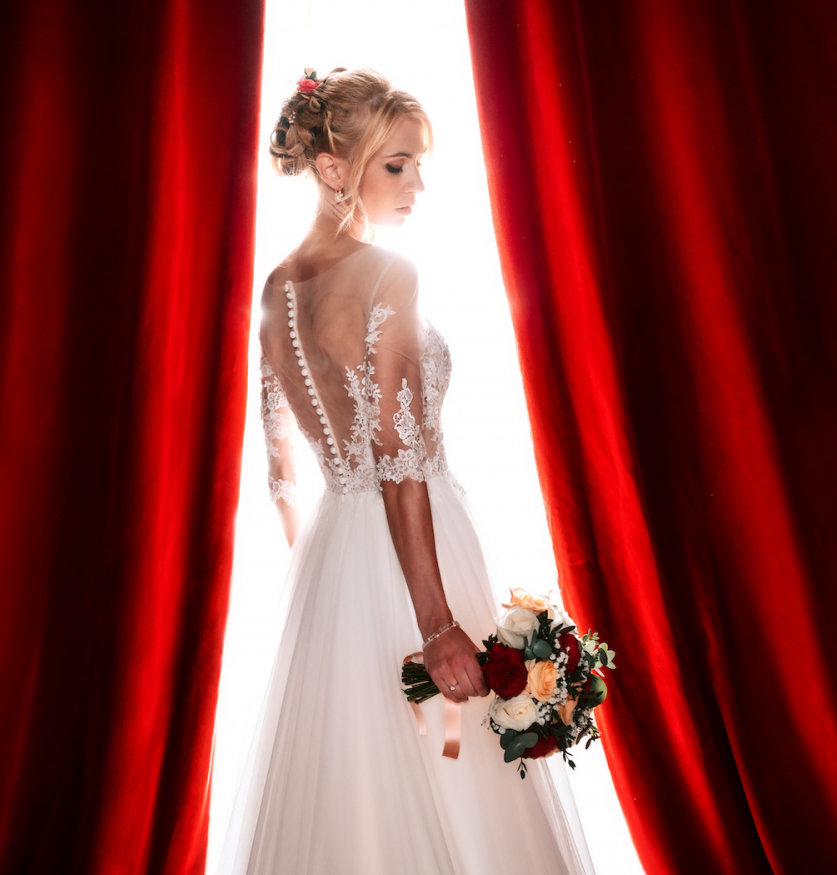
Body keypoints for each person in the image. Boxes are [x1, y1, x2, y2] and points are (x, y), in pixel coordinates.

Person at [219, 68, 594, 874]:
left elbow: (283, 470)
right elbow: (398, 456)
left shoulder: (277, 288)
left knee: (354, 803)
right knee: (452, 789)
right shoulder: (392, 275)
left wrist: (326, 583)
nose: (417, 184)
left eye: (418, 165)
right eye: (396, 165)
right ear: (330, 168)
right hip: (414, 554)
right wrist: (435, 623)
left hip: (335, 564)